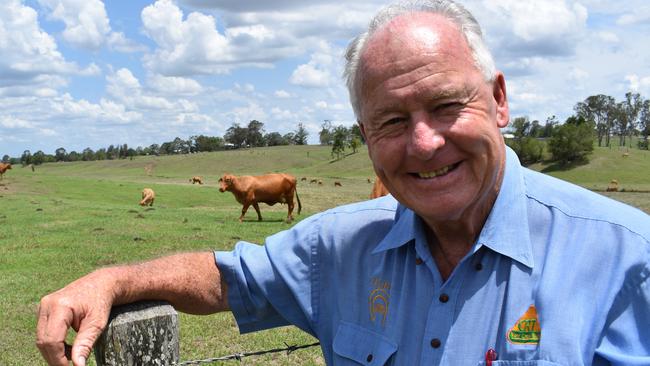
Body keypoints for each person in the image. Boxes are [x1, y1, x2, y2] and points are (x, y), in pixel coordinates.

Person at [37, 0, 650, 365]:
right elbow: (228, 278)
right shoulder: (338, 246)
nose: (424, 143)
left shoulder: (626, 258)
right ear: (364, 135)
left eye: (446, 106)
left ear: (498, 100)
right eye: (390, 120)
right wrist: (113, 279)